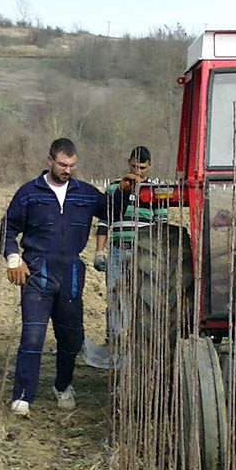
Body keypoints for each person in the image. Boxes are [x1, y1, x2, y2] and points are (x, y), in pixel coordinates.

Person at [0, 138, 107, 417]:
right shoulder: (29, 193)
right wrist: (13, 258)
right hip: (38, 271)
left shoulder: (86, 194)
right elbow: (7, 228)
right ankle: (22, 396)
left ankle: (62, 385)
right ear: (49, 161)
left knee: (71, 338)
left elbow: (113, 210)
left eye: (71, 166)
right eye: (62, 164)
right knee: (33, 336)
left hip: (71, 272)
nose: (67, 170)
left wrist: (129, 188)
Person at [84, 146, 167, 369]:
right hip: (118, 249)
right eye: (134, 166)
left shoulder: (155, 191)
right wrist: (99, 252)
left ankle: (142, 343)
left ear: (149, 166)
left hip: (144, 253)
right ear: (128, 162)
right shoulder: (115, 187)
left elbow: (161, 226)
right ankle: (114, 343)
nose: (137, 171)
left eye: (142, 168)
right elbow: (105, 221)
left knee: (143, 297)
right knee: (115, 296)